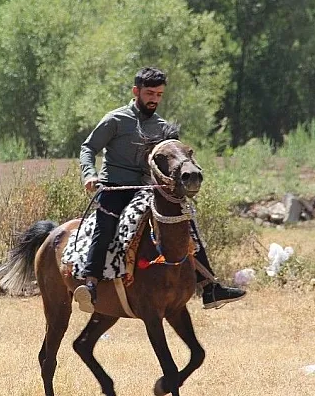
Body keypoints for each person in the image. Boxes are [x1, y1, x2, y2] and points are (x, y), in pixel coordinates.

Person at [74, 67, 246, 312]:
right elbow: (88, 148)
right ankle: (90, 285)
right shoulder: (115, 119)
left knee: (187, 222)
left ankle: (210, 287)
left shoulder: (163, 128)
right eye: (149, 93)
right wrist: (89, 174)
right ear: (136, 91)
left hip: (147, 190)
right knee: (106, 227)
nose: (154, 98)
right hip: (114, 188)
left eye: (159, 94)